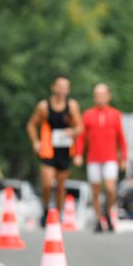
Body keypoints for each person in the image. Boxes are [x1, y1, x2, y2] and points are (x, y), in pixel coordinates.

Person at [74, 82, 128, 232]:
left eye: (103, 95)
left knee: (110, 188)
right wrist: (78, 154)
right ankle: (99, 220)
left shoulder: (115, 114)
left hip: (110, 157)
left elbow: (121, 138)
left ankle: (108, 212)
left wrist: (123, 158)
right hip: (93, 158)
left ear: (108, 96)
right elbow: (81, 137)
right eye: (98, 95)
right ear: (94, 97)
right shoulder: (88, 115)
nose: (101, 98)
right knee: (96, 191)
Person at [25, 76, 82, 212]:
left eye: (65, 87)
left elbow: (80, 127)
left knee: (61, 186)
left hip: (65, 150)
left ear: (68, 90)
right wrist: (35, 142)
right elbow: (31, 125)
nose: (62, 89)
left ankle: (58, 213)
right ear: (53, 87)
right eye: (59, 86)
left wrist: (73, 131)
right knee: (47, 184)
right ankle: (45, 209)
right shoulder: (44, 106)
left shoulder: (72, 106)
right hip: (48, 150)